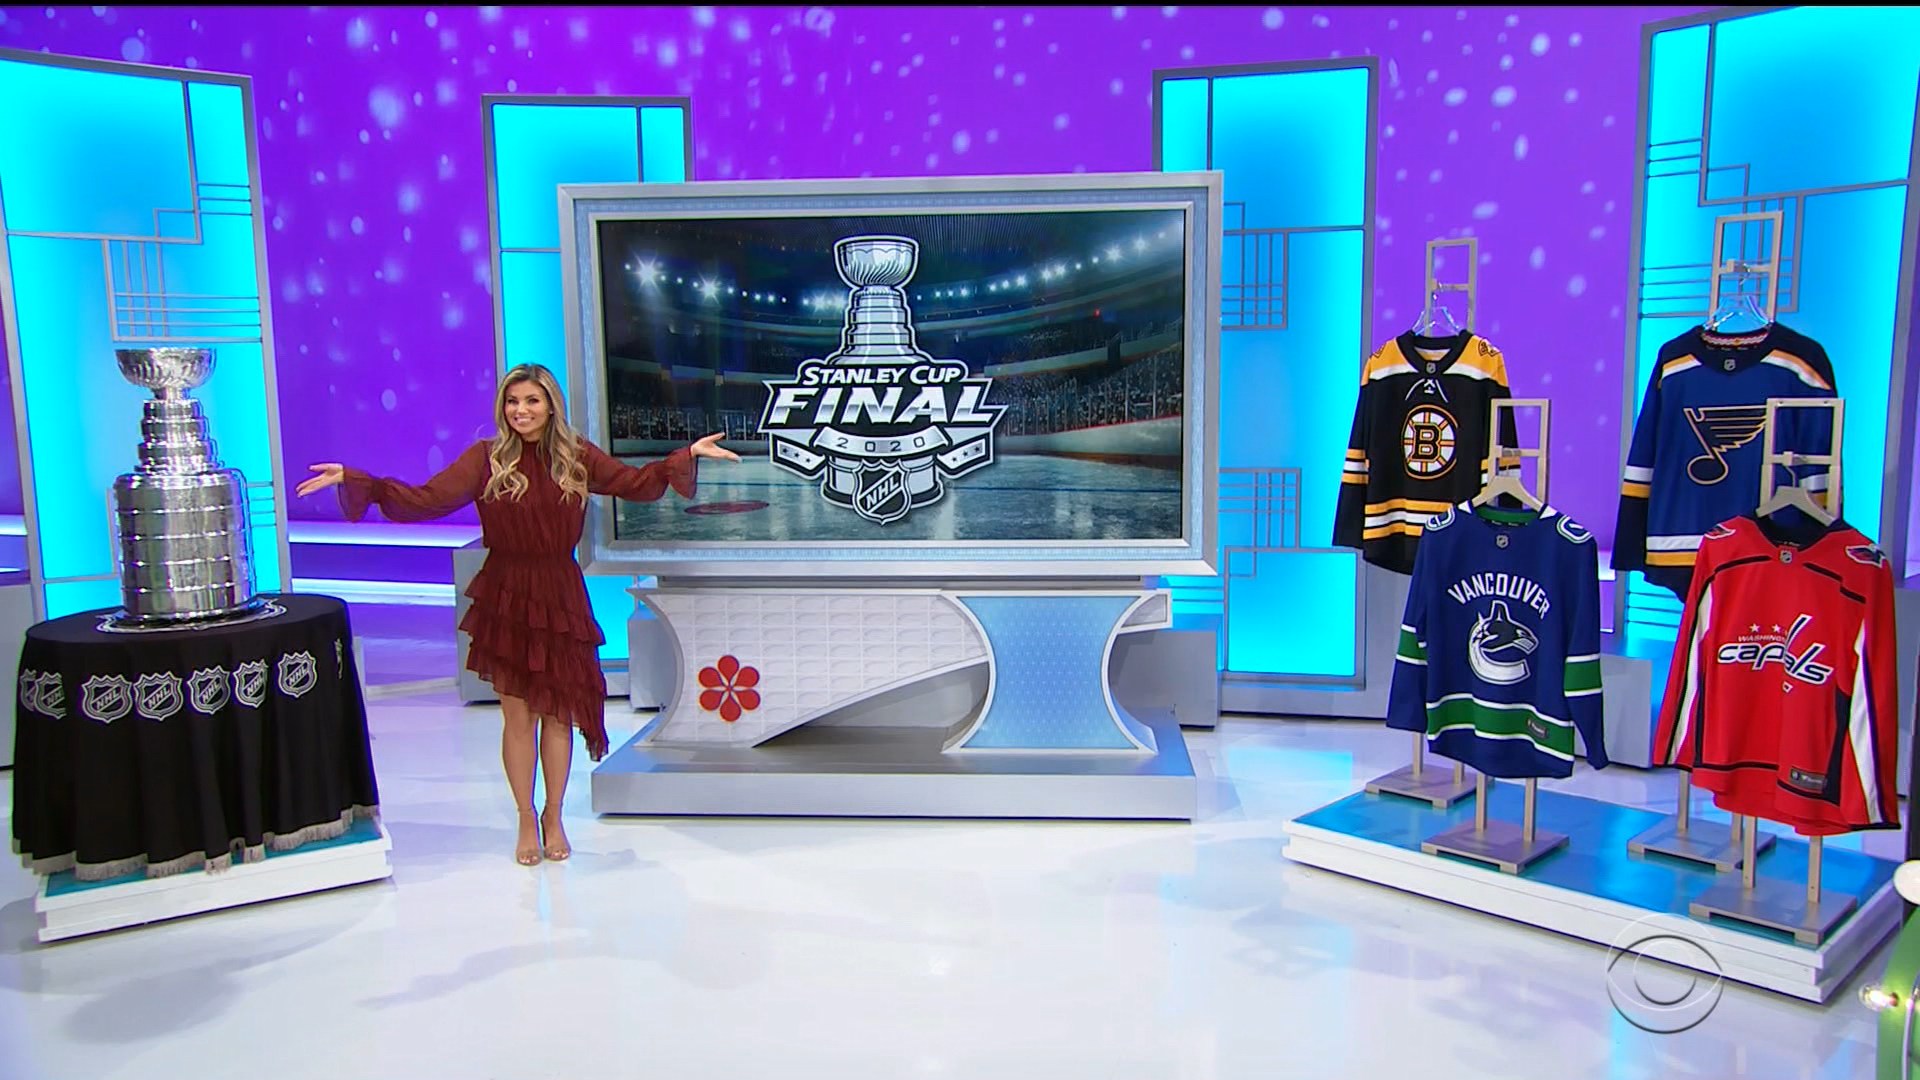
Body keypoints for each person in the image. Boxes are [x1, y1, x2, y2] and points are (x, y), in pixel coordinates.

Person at [295, 363, 740, 866]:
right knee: (517, 716)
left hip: (559, 593)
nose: (521, 411)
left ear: (550, 405)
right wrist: (361, 482)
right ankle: (526, 817)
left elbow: (634, 483)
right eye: (512, 402)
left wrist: (684, 456)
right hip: (507, 593)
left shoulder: (576, 455)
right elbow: (426, 500)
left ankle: (554, 815)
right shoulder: (485, 458)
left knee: (558, 714)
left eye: (531, 400)